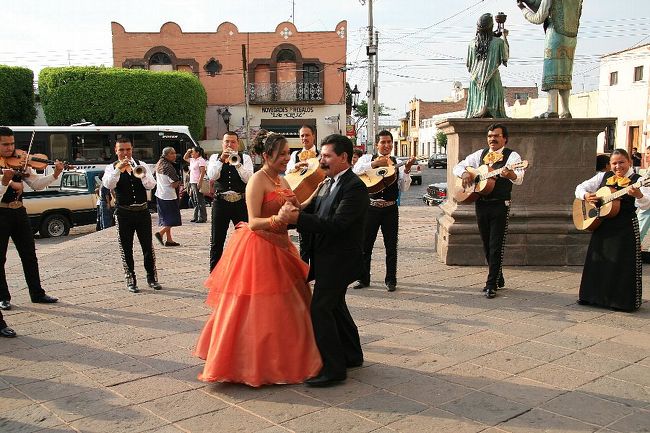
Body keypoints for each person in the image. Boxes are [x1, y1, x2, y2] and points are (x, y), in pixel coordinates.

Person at [194, 130, 322, 387]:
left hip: (283, 247)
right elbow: (253, 222)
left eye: (287, 153)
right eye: (282, 154)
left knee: (291, 309)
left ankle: (289, 358)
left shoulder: (283, 180)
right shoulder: (257, 180)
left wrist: (318, 191)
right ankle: (249, 362)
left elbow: (296, 209)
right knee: (257, 311)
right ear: (266, 155)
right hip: (260, 249)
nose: (287, 158)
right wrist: (278, 219)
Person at [279, 134, 368, 387]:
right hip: (327, 257)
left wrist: (297, 220)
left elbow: (337, 225)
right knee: (336, 306)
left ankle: (333, 368)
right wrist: (292, 209)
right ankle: (352, 355)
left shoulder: (354, 187)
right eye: (322, 155)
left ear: (344, 158)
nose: (322, 160)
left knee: (320, 309)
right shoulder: (328, 182)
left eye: (327, 156)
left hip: (341, 260)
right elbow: (315, 210)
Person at [452, 123, 525, 298]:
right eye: (490, 136)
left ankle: (491, 284)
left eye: (496, 136)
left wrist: (510, 174)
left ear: (504, 138)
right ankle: (498, 277)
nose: (492, 139)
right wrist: (464, 174)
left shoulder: (512, 156)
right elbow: (458, 166)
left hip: (500, 204)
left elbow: (519, 177)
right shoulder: (480, 154)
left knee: (496, 244)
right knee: (486, 243)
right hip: (481, 203)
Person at [575, 149, 646, 311]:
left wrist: (639, 195)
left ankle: (621, 302)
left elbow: (646, 204)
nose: (618, 166)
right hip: (603, 225)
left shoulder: (638, 180)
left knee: (622, 264)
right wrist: (586, 196)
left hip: (625, 227)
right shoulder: (603, 176)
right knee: (598, 262)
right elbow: (580, 187)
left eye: (621, 162)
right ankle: (592, 297)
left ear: (629, 162)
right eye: (614, 163)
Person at [0, 126, 61, 310]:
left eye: (12, 144)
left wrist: (55, 174)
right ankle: (3, 297)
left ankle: (37, 293)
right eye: (5, 145)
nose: (10, 148)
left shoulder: (21, 162)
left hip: (19, 212)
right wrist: (4, 181)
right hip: (1, 213)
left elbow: (36, 184)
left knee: (29, 255)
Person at [349, 130, 415, 292]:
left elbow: (404, 188)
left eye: (389, 142)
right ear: (377, 144)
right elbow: (355, 171)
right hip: (370, 208)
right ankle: (363, 278)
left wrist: (406, 171)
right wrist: (374, 164)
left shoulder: (397, 162)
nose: (386, 145)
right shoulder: (367, 158)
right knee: (366, 245)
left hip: (390, 209)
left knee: (391, 246)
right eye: (383, 142)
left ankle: (391, 280)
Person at [103, 137, 161, 293]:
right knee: (126, 248)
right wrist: (118, 169)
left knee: (148, 246)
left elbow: (151, 185)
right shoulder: (111, 168)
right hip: (123, 213)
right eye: (121, 150)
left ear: (132, 150)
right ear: (116, 151)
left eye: (128, 149)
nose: (125, 153)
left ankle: (152, 278)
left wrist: (142, 175)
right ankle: (131, 279)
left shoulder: (141, 165)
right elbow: (108, 184)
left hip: (142, 212)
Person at [518, 0, 583, 118]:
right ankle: (565, 110)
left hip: (554, 34)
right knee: (565, 72)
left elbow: (539, 17)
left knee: (552, 70)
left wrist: (523, 9)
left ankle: (552, 108)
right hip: (571, 37)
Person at [206, 131, 254, 271]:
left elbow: (249, 179)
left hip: (240, 202)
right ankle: (214, 274)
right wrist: (222, 159)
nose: (229, 144)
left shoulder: (245, 158)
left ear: (238, 143)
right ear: (222, 143)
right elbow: (212, 175)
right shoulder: (215, 157)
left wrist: (237, 163)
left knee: (245, 239)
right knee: (217, 241)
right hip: (221, 202)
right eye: (227, 141)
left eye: (233, 142)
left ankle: (244, 272)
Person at [286, 125, 320, 263]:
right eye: (302, 136)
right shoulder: (294, 155)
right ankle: (304, 275)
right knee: (304, 241)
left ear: (314, 136)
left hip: (319, 200)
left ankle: (318, 273)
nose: (304, 138)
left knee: (318, 240)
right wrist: (296, 166)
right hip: (302, 200)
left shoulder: (321, 154)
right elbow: (287, 173)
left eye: (307, 135)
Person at [465, 13, 509, 119]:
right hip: (492, 78)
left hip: (475, 80)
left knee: (476, 112)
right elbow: (505, 57)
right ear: (491, 26)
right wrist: (504, 36)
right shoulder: (498, 42)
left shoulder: (471, 44)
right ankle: (489, 110)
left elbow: (469, 65)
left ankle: (479, 110)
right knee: (495, 114)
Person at [154, 147, 182, 247]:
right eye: (171, 153)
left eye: (175, 153)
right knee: (173, 219)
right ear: (166, 155)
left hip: (160, 194)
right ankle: (160, 233)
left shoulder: (159, 163)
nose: (174, 155)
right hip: (169, 196)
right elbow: (174, 183)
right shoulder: (168, 167)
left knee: (166, 219)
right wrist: (179, 181)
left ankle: (169, 240)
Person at [183, 146, 207, 223]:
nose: (191, 153)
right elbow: (185, 158)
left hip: (197, 181)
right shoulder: (193, 160)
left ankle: (202, 217)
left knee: (199, 200)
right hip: (192, 182)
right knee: (194, 200)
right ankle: (195, 216)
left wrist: (199, 182)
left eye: (193, 152)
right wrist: (188, 151)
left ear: (198, 153)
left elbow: (202, 172)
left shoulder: (201, 160)